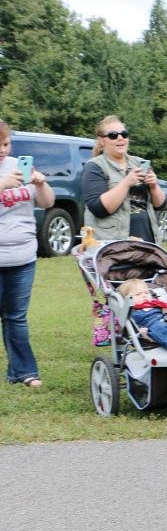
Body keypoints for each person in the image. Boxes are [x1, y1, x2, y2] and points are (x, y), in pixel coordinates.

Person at [0, 119, 55, 387]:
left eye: (6, 143)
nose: (3, 149)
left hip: (23, 255)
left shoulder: (19, 165)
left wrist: (41, 183)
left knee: (16, 317)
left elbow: (48, 203)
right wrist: (3, 184)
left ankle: (23, 372)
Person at [82, 115, 167, 243]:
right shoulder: (94, 167)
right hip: (114, 244)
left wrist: (154, 186)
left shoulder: (140, 163)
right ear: (101, 140)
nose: (120, 138)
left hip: (147, 238)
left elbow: (160, 205)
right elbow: (99, 208)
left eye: (124, 134)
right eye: (113, 135)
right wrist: (126, 183)